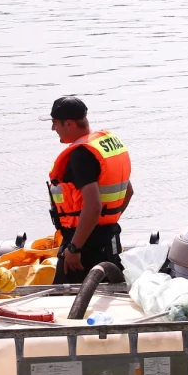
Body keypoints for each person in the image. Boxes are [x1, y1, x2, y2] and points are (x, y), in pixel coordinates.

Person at [46, 96, 133, 284]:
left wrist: (75, 248)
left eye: (55, 123)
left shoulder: (81, 155)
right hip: (110, 238)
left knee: (63, 299)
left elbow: (93, 207)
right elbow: (128, 191)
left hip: (84, 245)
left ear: (68, 123)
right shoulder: (104, 144)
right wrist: (106, 221)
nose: (53, 129)